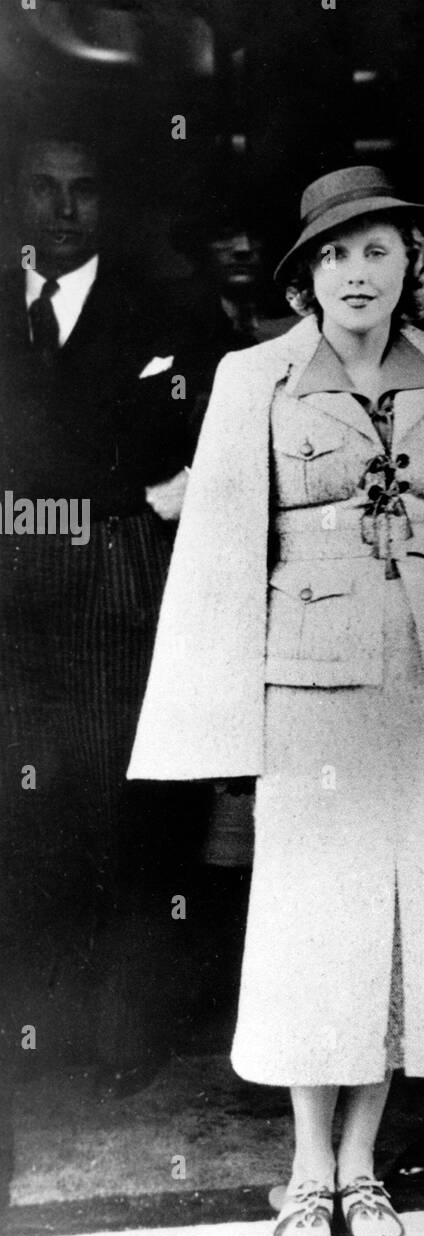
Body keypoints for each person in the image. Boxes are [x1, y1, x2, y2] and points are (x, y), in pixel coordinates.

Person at [128, 166, 424, 1236]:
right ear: (306, 275)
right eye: (337, 254)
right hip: (308, 689)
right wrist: (222, 744)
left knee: (409, 916)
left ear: (413, 267)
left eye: (382, 250)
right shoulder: (255, 375)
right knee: (317, 922)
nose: (361, 272)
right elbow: (216, 561)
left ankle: (364, 1161)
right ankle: (307, 1165)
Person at [0, 130, 198, 1096]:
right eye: (45, 188)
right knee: (29, 803)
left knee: (126, 800)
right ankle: (40, 1021)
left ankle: (128, 1031)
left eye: (83, 190)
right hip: (11, 585)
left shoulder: (166, 311)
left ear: (107, 205)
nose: (64, 209)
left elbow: (199, 444)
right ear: (20, 198)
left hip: (116, 574)